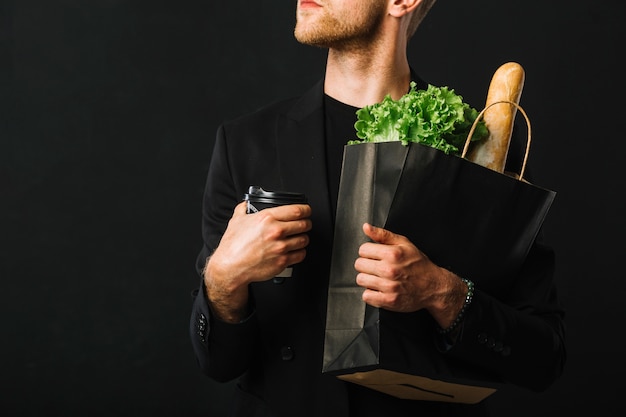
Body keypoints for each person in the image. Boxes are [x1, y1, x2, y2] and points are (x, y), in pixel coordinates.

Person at [189, 1, 566, 416]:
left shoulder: (477, 148)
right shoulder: (244, 143)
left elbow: (544, 358)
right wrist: (222, 279)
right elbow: (218, 363)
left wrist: (442, 293)